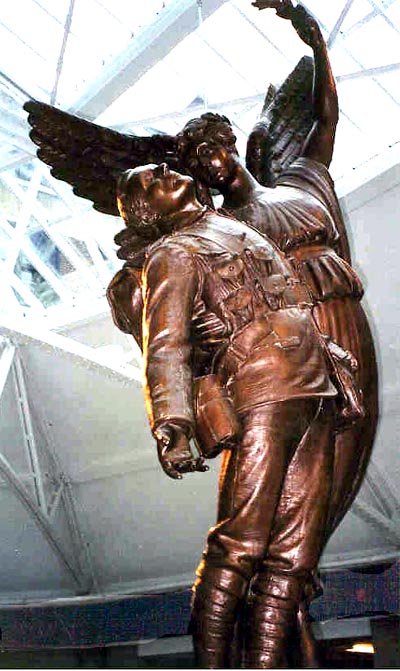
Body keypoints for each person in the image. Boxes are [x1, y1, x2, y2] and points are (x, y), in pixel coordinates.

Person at [106, 161, 363, 668]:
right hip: (260, 388)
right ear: (147, 212)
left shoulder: (236, 227)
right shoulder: (172, 253)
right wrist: (172, 423)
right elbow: (166, 344)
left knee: (293, 557)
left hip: (315, 387)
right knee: (239, 544)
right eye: (150, 181)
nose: (165, 170)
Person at [176, 0, 378, 550]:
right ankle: (278, 577)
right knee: (298, 466)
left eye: (212, 148)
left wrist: (315, 38)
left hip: (345, 321)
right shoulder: (222, 231)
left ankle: (294, 572)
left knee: (346, 445)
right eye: (195, 160)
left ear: (230, 144)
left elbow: (326, 119)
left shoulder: (299, 181)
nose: (208, 161)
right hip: (295, 337)